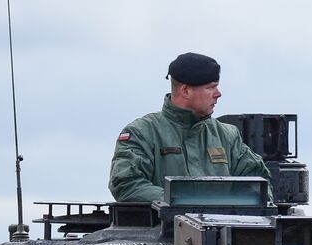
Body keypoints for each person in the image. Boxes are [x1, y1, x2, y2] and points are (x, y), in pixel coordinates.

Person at [109, 52, 272, 203]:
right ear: (185, 90)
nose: (218, 93)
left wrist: (230, 208)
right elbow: (126, 184)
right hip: (163, 230)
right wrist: (179, 202)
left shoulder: (227, 136)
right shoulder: (142, 133)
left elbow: (258, 182)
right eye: (211, 87)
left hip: (223, 229)